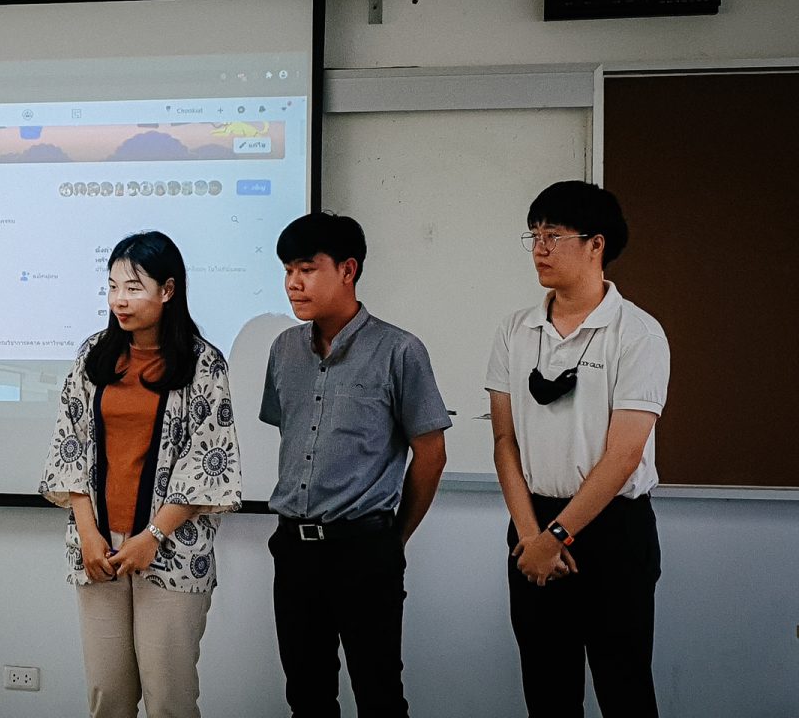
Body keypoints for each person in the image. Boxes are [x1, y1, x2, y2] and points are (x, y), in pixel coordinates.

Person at [40, 231, 242, 718]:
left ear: (167, 290)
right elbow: (70, 443)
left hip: (172, 549)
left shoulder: (203, 363)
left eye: (133, 288)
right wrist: (89, 534)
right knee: (107, 698)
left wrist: (152, 536)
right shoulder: (94, 355)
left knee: (169, 699)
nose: (119, 300)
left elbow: (208, 458)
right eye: (112, 287)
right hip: (99, 549)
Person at [486, 181, 669, 717]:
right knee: (547, 693)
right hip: (531, 524)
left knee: (624, 690)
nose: (540, 248)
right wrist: (531, 536)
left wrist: (557, 537)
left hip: (613, 530)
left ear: (596, 244)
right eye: (535, 235)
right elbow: (504, 440)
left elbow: (625, 454)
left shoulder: (637, 333)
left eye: (555, 235)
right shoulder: (515, 330)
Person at [259, 212, 450, 718]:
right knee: (307, 697)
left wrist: (393, 537)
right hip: (293, 550)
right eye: (287, 270)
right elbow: (292, 435)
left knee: (379, 695)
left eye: (307, 269)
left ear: (348, 269)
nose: (293, 283)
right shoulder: (284, 349)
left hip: (364, 549)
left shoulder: (399, 350)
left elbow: (431, 454)